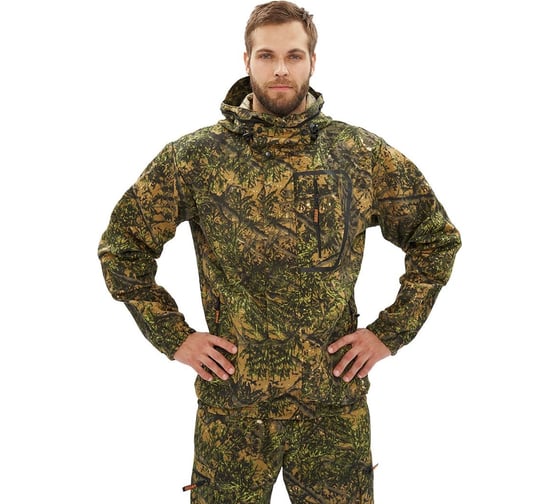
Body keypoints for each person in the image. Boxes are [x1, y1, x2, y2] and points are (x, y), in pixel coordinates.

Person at [98, 2, 461, 502]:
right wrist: (176, 338)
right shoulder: (195, 158)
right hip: (233, 413)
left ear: (313, 61)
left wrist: (388, 333)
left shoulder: (359, 155)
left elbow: (435, 238)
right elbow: (123, 248)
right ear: (246, 60)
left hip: (332, 411)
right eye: (266, 55)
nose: (281, 69)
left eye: (294, 55)